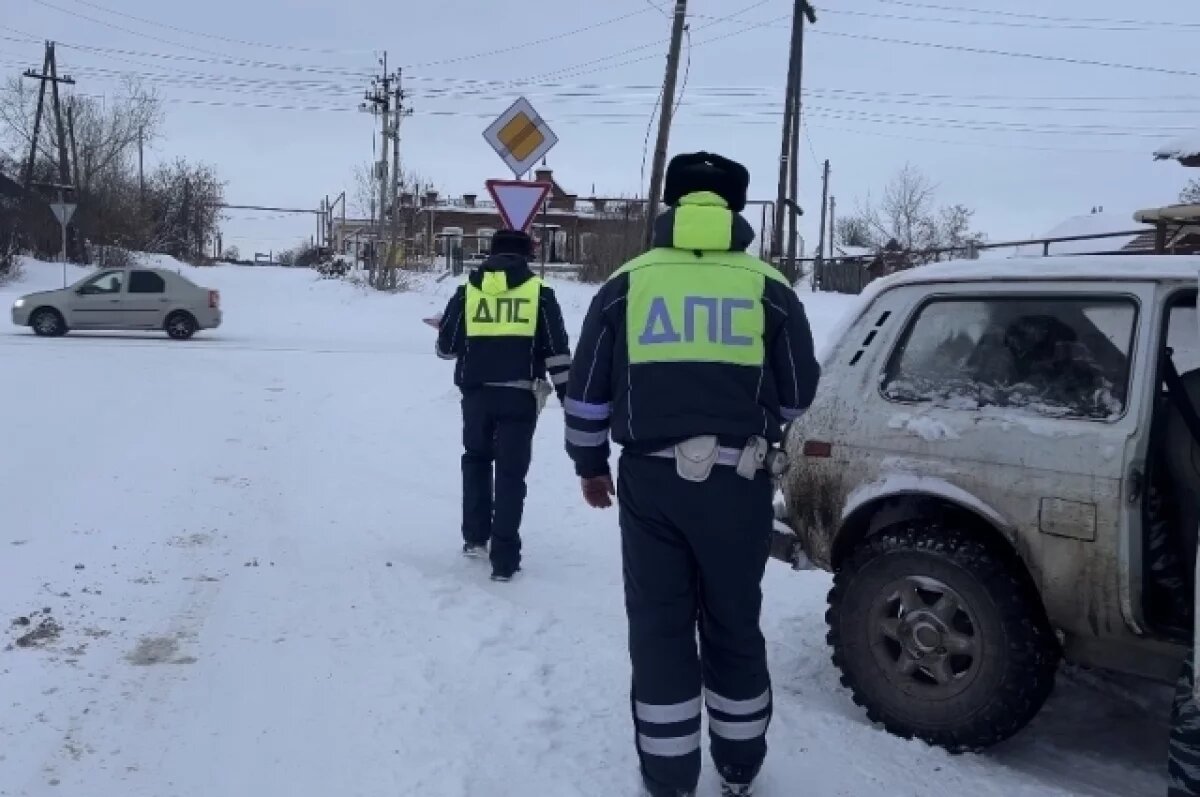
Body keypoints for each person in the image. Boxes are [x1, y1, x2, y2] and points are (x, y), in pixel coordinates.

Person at [563, 152, 820, 797]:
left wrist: (590, 466)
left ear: (671, 205)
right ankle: (739, 767)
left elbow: (588, 396)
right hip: (740, 482)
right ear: (735, 208)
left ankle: (670, 776)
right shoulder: (771, 288)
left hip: (651, 485)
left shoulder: (626, 284)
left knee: (659, 627)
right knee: (734, 619)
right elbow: (797, 397)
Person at [436, 228, 572, 582]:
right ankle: (505, 560)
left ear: (490, 255)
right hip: (519, 395)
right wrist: (569, 398)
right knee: (511, 474)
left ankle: (475, 538)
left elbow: (446, 349)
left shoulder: (467, 292)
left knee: (476, 460)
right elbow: (556, 352)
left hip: (476, 394)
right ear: (526, 256)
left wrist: (449, 333)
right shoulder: (540, 293)